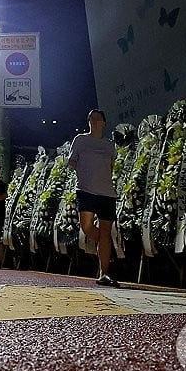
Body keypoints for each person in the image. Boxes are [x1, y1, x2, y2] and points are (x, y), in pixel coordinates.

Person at [69, 109, 121, 287]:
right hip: (86, 190)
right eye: (91, 118)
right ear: (88, 122)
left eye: (98, 119)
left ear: (104, 123)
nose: (95, 121)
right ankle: (105, 247)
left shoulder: (109, 145)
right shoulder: (81, 140)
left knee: (106, 232)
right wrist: (84, 173)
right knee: (87, 226)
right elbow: (72, 161)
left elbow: (112, 166)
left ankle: (104, 273)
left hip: (107, 192)